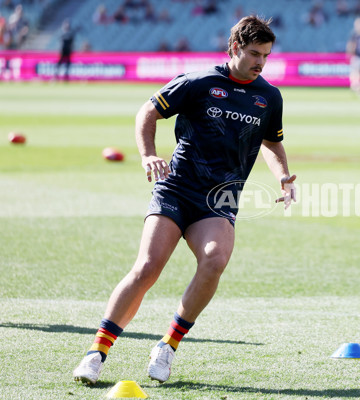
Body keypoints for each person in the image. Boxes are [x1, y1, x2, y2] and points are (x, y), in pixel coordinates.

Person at [72, 15, 297, 386]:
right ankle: (97, 351)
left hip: (219, 198)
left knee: (215, 261)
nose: (261, 62)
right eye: (255, 53)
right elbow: (147, 111)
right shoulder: (198, 82)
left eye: (267, 56)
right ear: (235, 48)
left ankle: (168, 345)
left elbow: (272, 142)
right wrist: (147, 154)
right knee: (147, 268)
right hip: (177, 188)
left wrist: (283, 175)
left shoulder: (269, 96)